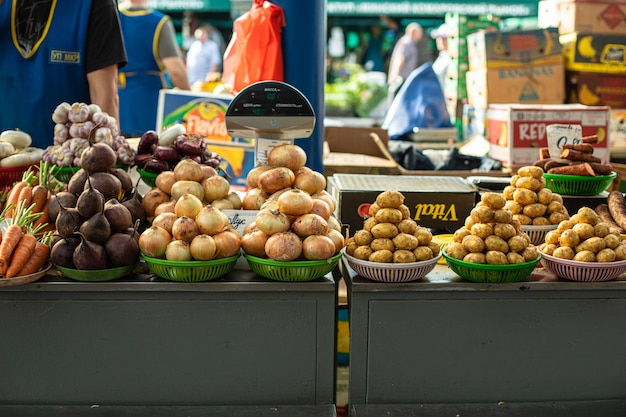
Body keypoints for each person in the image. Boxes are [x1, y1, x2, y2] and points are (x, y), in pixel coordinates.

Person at [0, 0, 127, 149]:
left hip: (69, 166)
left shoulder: (93, 4)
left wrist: (106, 163)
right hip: (5, 162)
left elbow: (105, 101)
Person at [118, 0, 190, 137]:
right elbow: (176, 71)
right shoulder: (159, 22)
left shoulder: (112, 17)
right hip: (148, 103)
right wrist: (190, 96)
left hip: (115, 98)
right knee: (148, 151)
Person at [387, 22, 423, 88]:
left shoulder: (410, 42)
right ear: (413, 32)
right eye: (420, 32)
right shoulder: (407, 42)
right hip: (401, 79)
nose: (421, 34)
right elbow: (400, 59)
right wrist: (394, 75)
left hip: (405, 79)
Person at [430, 23, 451, 90]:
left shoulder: (453, 58)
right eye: (438, 38)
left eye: (443, 38)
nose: (439, 41)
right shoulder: (442, 55)